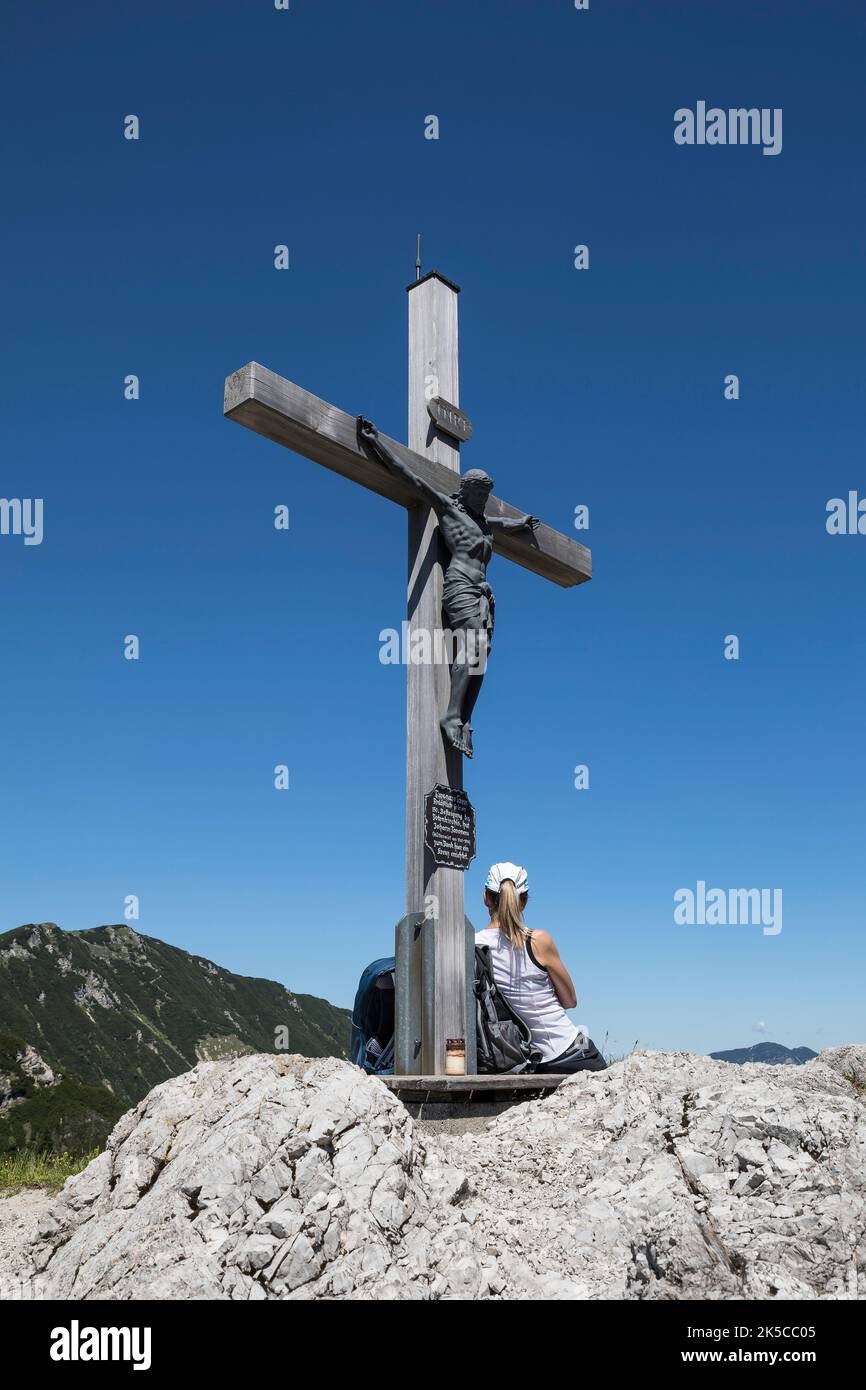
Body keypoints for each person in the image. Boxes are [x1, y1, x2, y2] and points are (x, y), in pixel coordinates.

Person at [475, 862, 607, 1074]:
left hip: (524, 1057)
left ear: (485, 898)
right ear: (524, 902)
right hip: (570, 1050)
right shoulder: (537, 940)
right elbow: (570, 1001)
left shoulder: (473, 946)